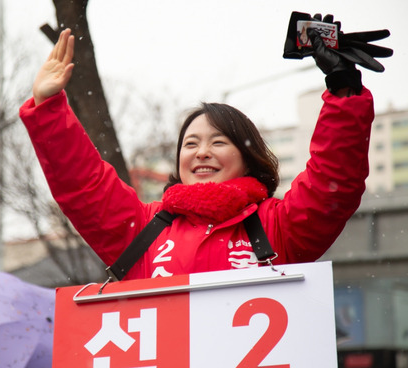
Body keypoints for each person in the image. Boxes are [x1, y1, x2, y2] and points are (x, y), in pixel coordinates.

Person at [19, 23, 377, 281]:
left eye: (218, 142)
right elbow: (83, 185)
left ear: (248, 158)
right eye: (191, 144)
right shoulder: (142, 229)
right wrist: (48, 108)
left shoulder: (279, 226)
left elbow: (334, 180)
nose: (202, 152)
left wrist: (344, 90)